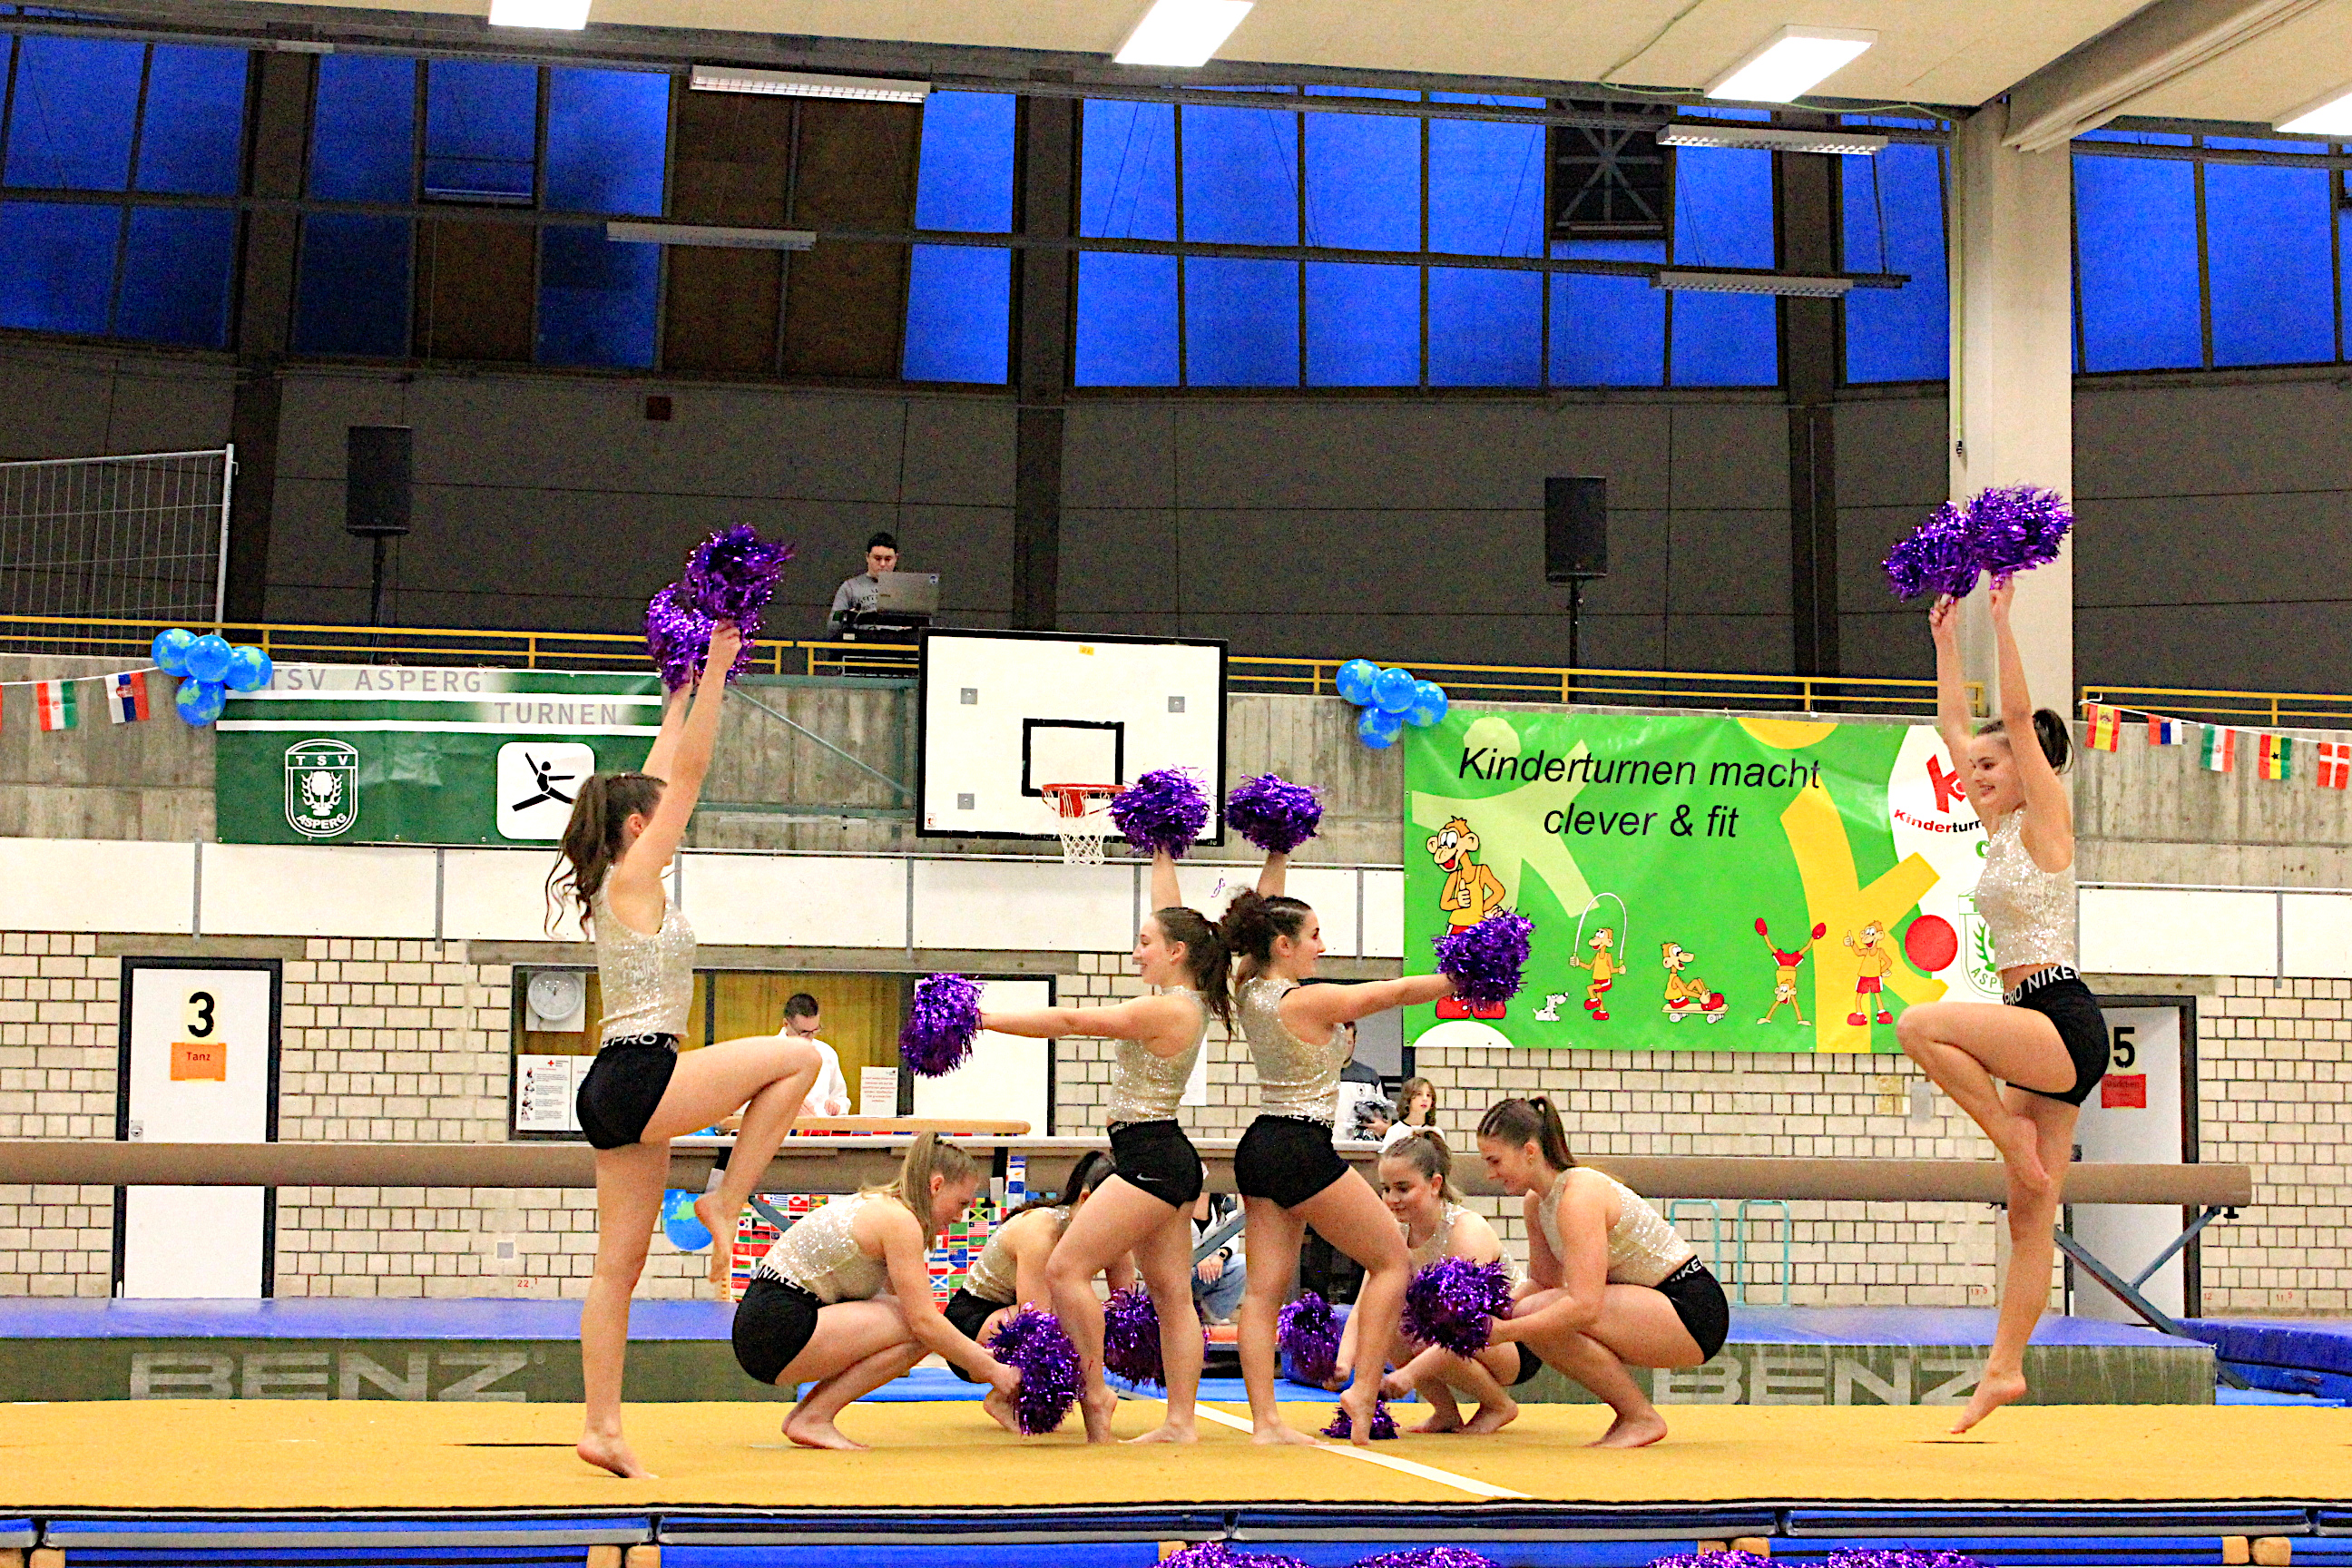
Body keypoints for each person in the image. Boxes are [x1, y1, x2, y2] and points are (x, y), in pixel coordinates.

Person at [548, 622, 823, 1479]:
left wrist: (676, 689)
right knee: (800, 1060)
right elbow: (690, 776)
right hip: (642, 1071)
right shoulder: (635, 878)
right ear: (640, 825)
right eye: (658, 815)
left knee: (617, 1269)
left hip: (614, 1084)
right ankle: (725, 1198)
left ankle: (602, 1428)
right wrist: (718, 669)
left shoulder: (617, 879)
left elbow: (666, 769)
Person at [1896, 576, 2097, 1434]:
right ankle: (2004, 1369)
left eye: (1991, 766)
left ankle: (2010, 1139)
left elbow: (2013, 716)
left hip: (2060, 1017)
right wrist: (1944, 639)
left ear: (2028, 768)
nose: (1974, 776)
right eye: (1972, 770)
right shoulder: (2000, 829)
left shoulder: (2045, 818)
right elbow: (1956, 726)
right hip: (2035, 1022)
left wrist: (2004, 622)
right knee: (2029, 1215)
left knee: (1919, 1024)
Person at [977, 849, 1226, 1445]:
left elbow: (1069, 1023)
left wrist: (983, 1020)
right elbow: (1171, 911)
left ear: (1176, 952)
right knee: (1171, 1294)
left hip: (1152, 1160)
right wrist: (1162, 852)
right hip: (1162, 1157)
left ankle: (1096, 1393)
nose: (1136, 953)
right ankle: (1180, 1422)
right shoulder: (1185, 1000)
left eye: (1144, 942)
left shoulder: (1166, 1009)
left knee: (1066, 1269)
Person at [1219, 848, 1459, 1446]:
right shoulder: (1306, 1000)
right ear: (1283, 946)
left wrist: (1277, 852)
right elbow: (1390, 992)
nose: (1322, 946)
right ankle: (1362, 1388)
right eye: (1314, 936)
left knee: (1261, 1293)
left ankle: (1266, 1423)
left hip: (1260, 1144)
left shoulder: (1248, 987)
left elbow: (1260, 912)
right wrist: (1459, 979)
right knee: (1392, 1262)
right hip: (1300, 1146)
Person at [731, 1132, 1021, 1450]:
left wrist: (977, 1356)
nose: (958, 1217)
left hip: (766, 1325)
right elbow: (923, 1321)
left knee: (920, 1326)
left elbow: (908, 1307)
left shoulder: (883, 1207)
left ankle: (811, 1416)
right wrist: (994, 1371)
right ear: (936, 1186)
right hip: (775, 1329)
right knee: (921, 1328)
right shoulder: (899, 1221)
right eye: (961, 1203)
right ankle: (814, 1417)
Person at [1474, 1096, 1728, 1449]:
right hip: (1653, 1304)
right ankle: (1632, 1415)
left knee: (1539, 1314)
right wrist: (1478, 1312)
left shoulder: (1579, 1195)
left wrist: (1504, 1332)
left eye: (1495, 1161)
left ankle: (1640, 1417)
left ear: (1530, 1151)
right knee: (1532, 1309)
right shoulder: (1537, 1202)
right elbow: (1543, 1282)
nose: (1490, 1174)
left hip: (1692, 1309)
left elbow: (1584, 1307)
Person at [1340, 1130, 1535, 1434]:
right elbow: (1365, 1307)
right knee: (1388, 1322)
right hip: (1452, 1336)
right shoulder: (1395, 1235)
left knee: (1429, 1328)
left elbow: (1464, 1323)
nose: (1392, 1199)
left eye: (1403, 1188)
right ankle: (1445, 1412)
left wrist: (1407, 1375)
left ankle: (1499, 1405)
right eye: (1386, 1189)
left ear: (1434, 1185)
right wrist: (1342, 1364)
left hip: (1513, 1343)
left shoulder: (1466, 1230)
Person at [943, 1151, 1134, 1431]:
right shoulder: (1040, 1231)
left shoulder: (1113, 1231)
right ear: (1085, 1200)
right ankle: (1004, 1397)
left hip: (1017, 1315)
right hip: (971, 1327)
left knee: (1105, 1319)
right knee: (1076, 1315)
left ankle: (1082, 1399)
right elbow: (1036, 1321)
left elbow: (1126, 1308)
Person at [781, 994, 853, 1118]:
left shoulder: (827, 1053)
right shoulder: (766, 1054)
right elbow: (749, 1104)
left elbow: (841, 1098)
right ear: (786, 1024)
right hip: (779, 1127)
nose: (810, 1037)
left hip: (818, 1127)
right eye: (804, 1032)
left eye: (815, 1030)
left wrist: (837, 1106)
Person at [827, 531, 900, 636]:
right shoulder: (850, 587)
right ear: (867, 557)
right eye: (877, 559)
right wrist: (847, 617)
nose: (882, 564)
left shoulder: (906, 588)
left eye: (888, 559)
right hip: (861, 643)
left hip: (898, 644)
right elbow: (832, 627)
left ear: (896, 558)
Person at [1191, 1192, 1247, 1325]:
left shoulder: (1225, 1202)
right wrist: (1197, 1257)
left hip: (1213, 1266)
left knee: (1242, 1263)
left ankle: (1214, 1312)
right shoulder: (1178, 1199)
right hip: (1185, 1265)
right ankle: (1179, 1313)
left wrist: (1220, 1256)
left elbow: (1232, 1235)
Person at [1382, 1076, 1437, 1150]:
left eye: (1428, 1095)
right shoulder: (1395, 1132)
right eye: (1419, 1094)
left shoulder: (1436, 1133)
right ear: (1408, 1099)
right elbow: (1386, 1156)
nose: (1425, 1099)